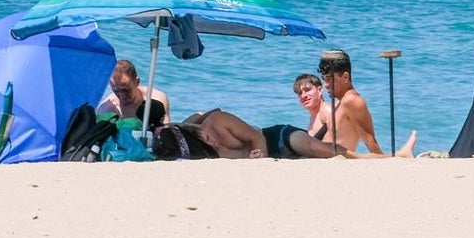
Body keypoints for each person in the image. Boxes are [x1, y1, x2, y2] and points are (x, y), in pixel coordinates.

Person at [164, 108, 416, 160]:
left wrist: (260, 153)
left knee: (326, 152)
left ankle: (395, 157)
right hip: (270, 156)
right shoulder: (204, 151)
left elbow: (257, 137)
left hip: (276, 137)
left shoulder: (219, 121)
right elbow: (180, 126)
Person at [317, 50, 383, 154]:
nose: (325, 85)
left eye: (329, 79)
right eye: (324, 79)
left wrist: (384, 161)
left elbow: (369, 140)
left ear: (345, 77)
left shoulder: (351, 100)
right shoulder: (341, 101)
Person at [96, 59, 171, 130]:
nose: (122, 96)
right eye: (116, 91)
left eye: (125, 90)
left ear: (137, 82)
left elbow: (165, 131)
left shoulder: (157, 99)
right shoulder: (107, 110)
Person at [293, 73, 328, 139]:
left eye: (307, 90)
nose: (303, 96)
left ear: (319, 90)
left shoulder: (327, 111)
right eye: (299, 93)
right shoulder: (313, 118)